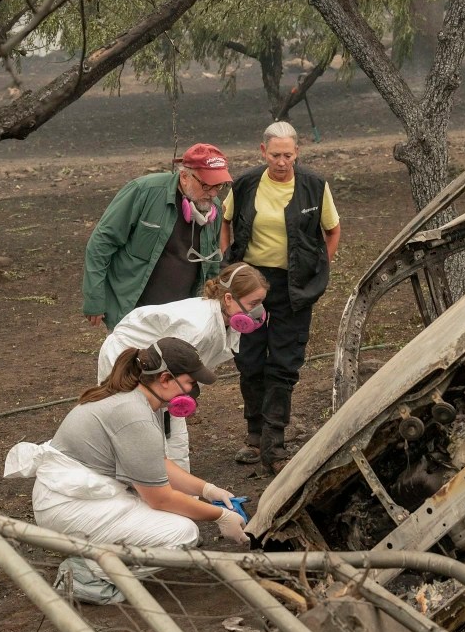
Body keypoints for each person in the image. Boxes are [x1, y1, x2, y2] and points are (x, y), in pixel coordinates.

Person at [4, 337, 247, 604]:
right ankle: (86, 574)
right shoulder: (134, 415)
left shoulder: (139, 399)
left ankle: (95, 550)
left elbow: (157, 463)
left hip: (76, 495)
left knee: (171, 514)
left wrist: (207, 490)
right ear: (165, 378)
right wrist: (219, 517)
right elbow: (160, 498)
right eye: (190, 383)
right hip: (68, 505)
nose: (193, 391)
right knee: (181, 534)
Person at [220, 121, 341, 470]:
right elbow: (225, 223)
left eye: (288, 155)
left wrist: (319, 267)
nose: (282, 161)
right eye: (275, 155)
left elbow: (331, 230)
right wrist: (230, 267)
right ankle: (255, 436)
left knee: (284, 363)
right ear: (263, 152)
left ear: (297, 153)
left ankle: (275, 443)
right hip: (250, 285)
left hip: (294, 286)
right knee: (249, 359)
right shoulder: (244, 184)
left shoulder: (315, 186)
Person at [97, 262, 270, 472]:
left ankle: (181, 495)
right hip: (128, 356)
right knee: (138, 430)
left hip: (163, 368)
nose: (258, 311)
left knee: (175, 436)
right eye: (253, 304)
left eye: (261, 303)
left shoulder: (226, 318)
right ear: (228, 298)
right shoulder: (198, 328)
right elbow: (170, 370)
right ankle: (142, 491)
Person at [82, 143, 232, 331]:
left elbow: (211, 268)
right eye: (206, 185)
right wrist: (94, 298)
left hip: (183, 317)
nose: (213, 193)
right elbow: (101, 244)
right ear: (185, 176)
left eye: (219, 186)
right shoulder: (144, 191)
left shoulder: (214, 208)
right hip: (133, 313)